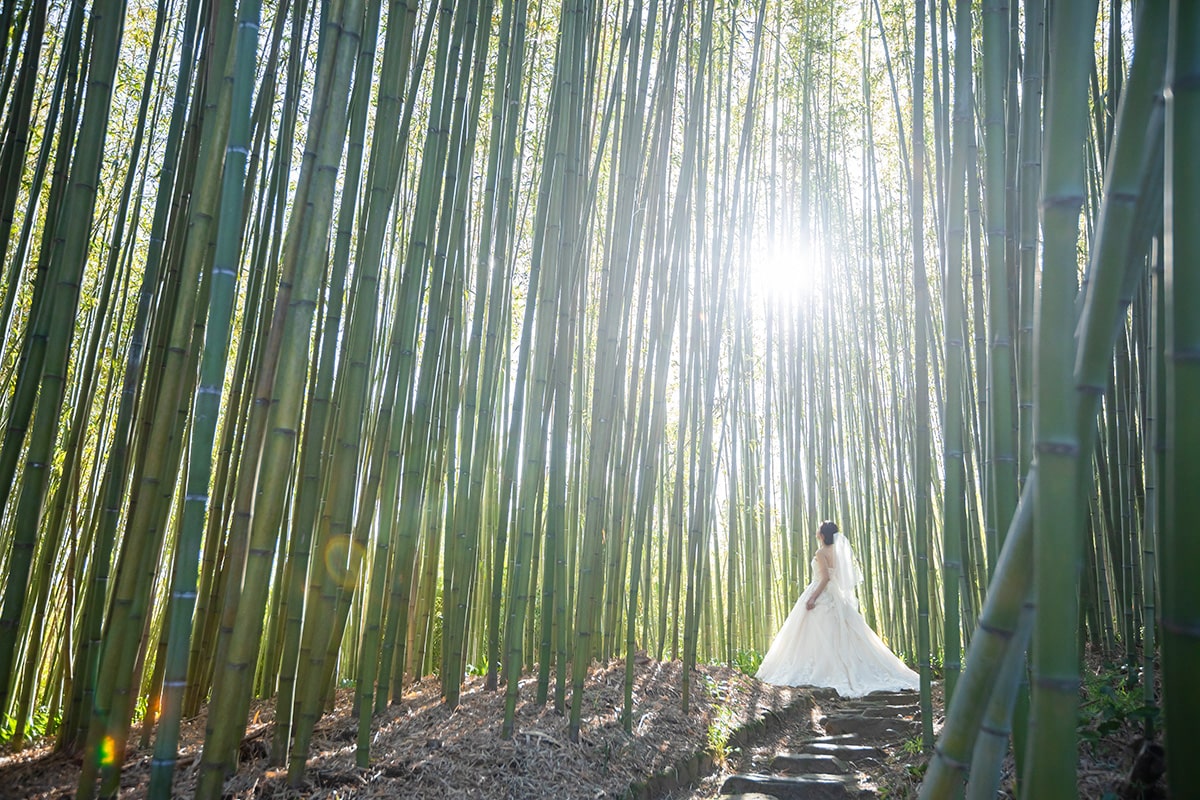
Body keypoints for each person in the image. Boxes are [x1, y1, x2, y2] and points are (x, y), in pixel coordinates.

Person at [755, 520, 918, 697]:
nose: (816, 531)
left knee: (818, 633)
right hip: (835, 595)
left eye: (818, 529)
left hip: (822, 592)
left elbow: (825, 578)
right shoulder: (838, 552)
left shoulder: (820, 552)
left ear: (823, 535)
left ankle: (824, 669)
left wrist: (812, 598)